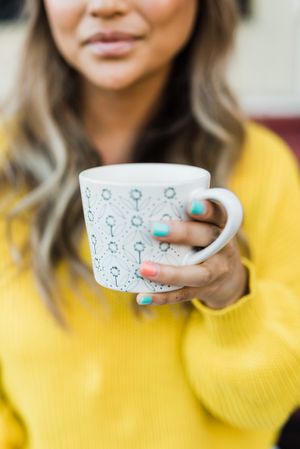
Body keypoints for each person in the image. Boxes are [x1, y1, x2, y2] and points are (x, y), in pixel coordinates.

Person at [0, 0, 299, 448]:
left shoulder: (261, 166)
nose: (105, 7)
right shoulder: (6, 165)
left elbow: (266, 407)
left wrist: (231, 298)